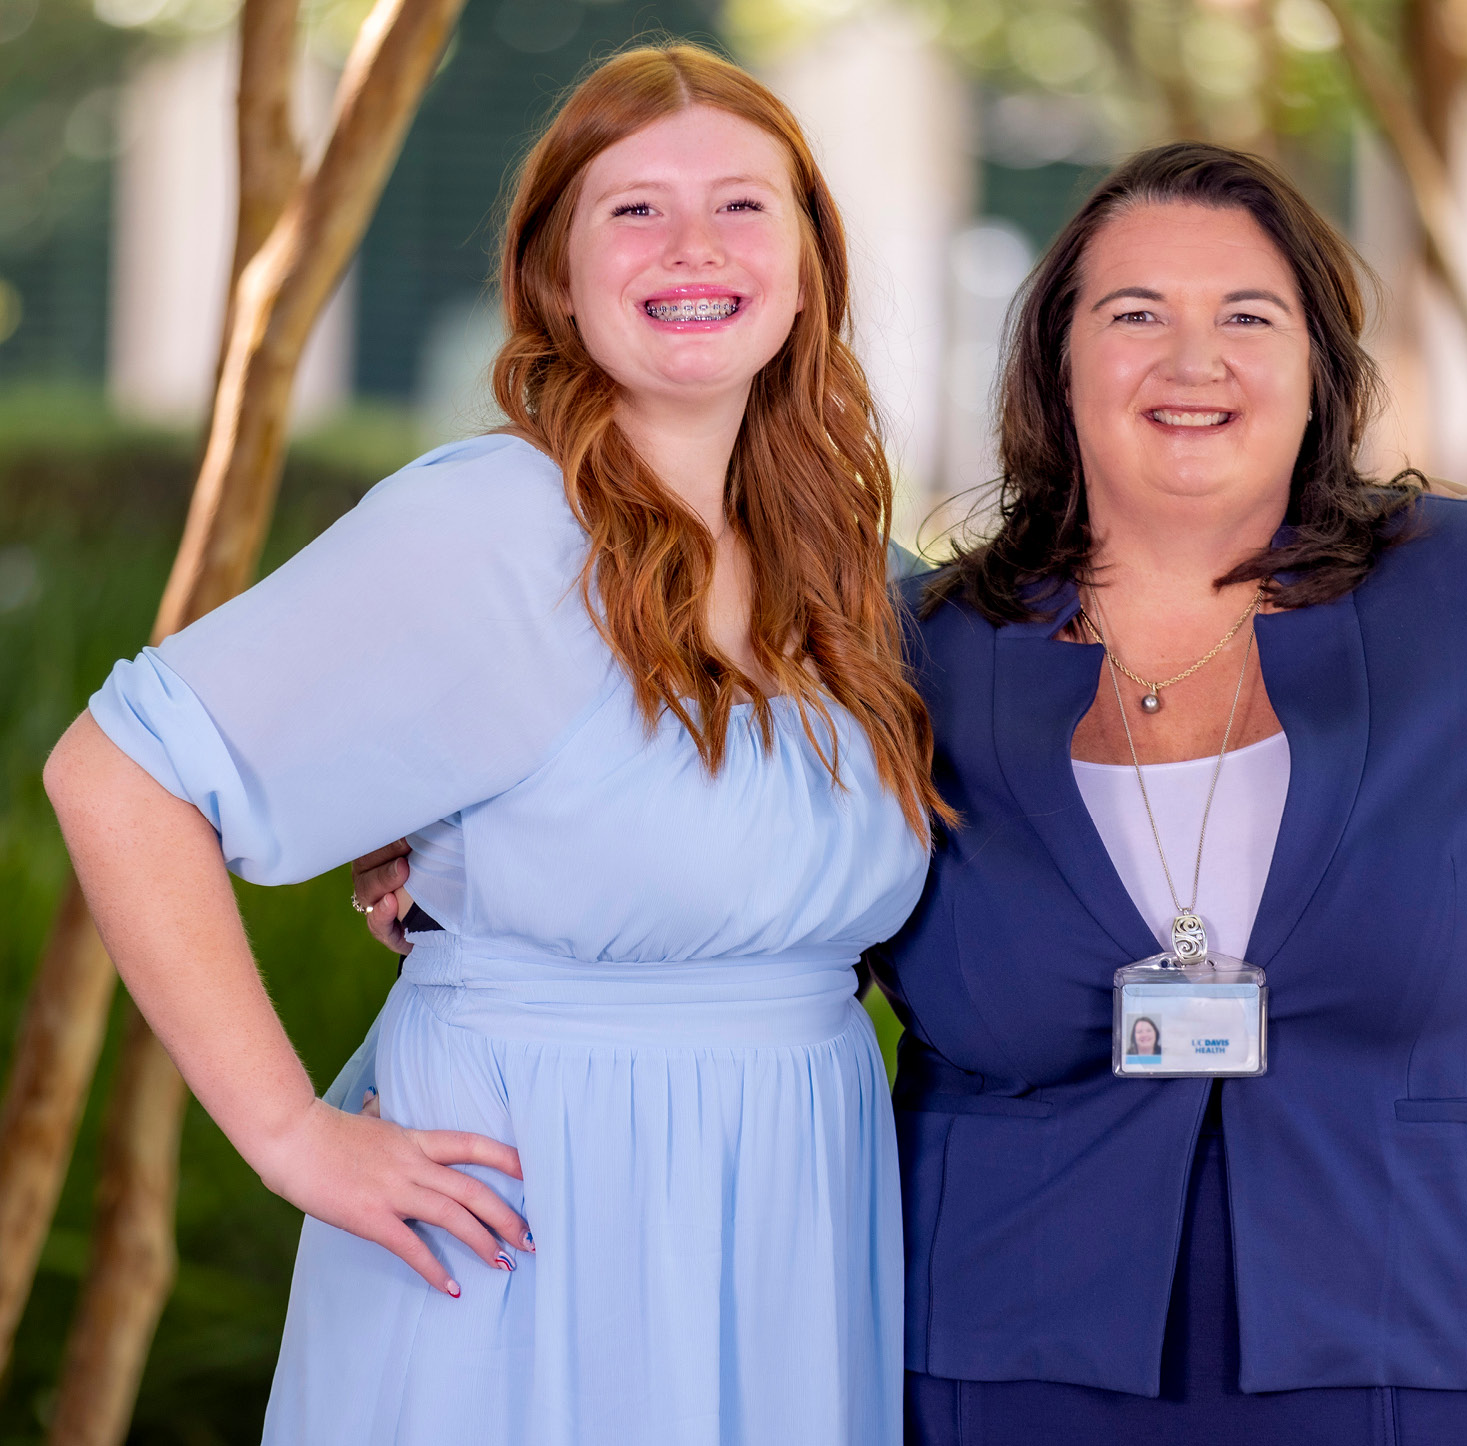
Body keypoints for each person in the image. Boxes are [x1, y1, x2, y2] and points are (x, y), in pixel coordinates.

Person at [354, 143, 1467, 1442]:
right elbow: (753, 875)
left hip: (1419, 1356)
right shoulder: (924, 648)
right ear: (1056, 365)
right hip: (998, 1360)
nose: (1191, 361)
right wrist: (479, 862)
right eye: (1134, 315)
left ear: (1317, 365)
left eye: (1245, 317)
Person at [44, 45, 944, 1446]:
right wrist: (290, 1135)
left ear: (812, 262)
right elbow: (116, 770)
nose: (692, 246)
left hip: (791, 1210)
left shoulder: (850, 576)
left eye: (741, 206)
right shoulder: (492, 526)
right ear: (554, 275)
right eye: (633, 209)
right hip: (530, 1213)